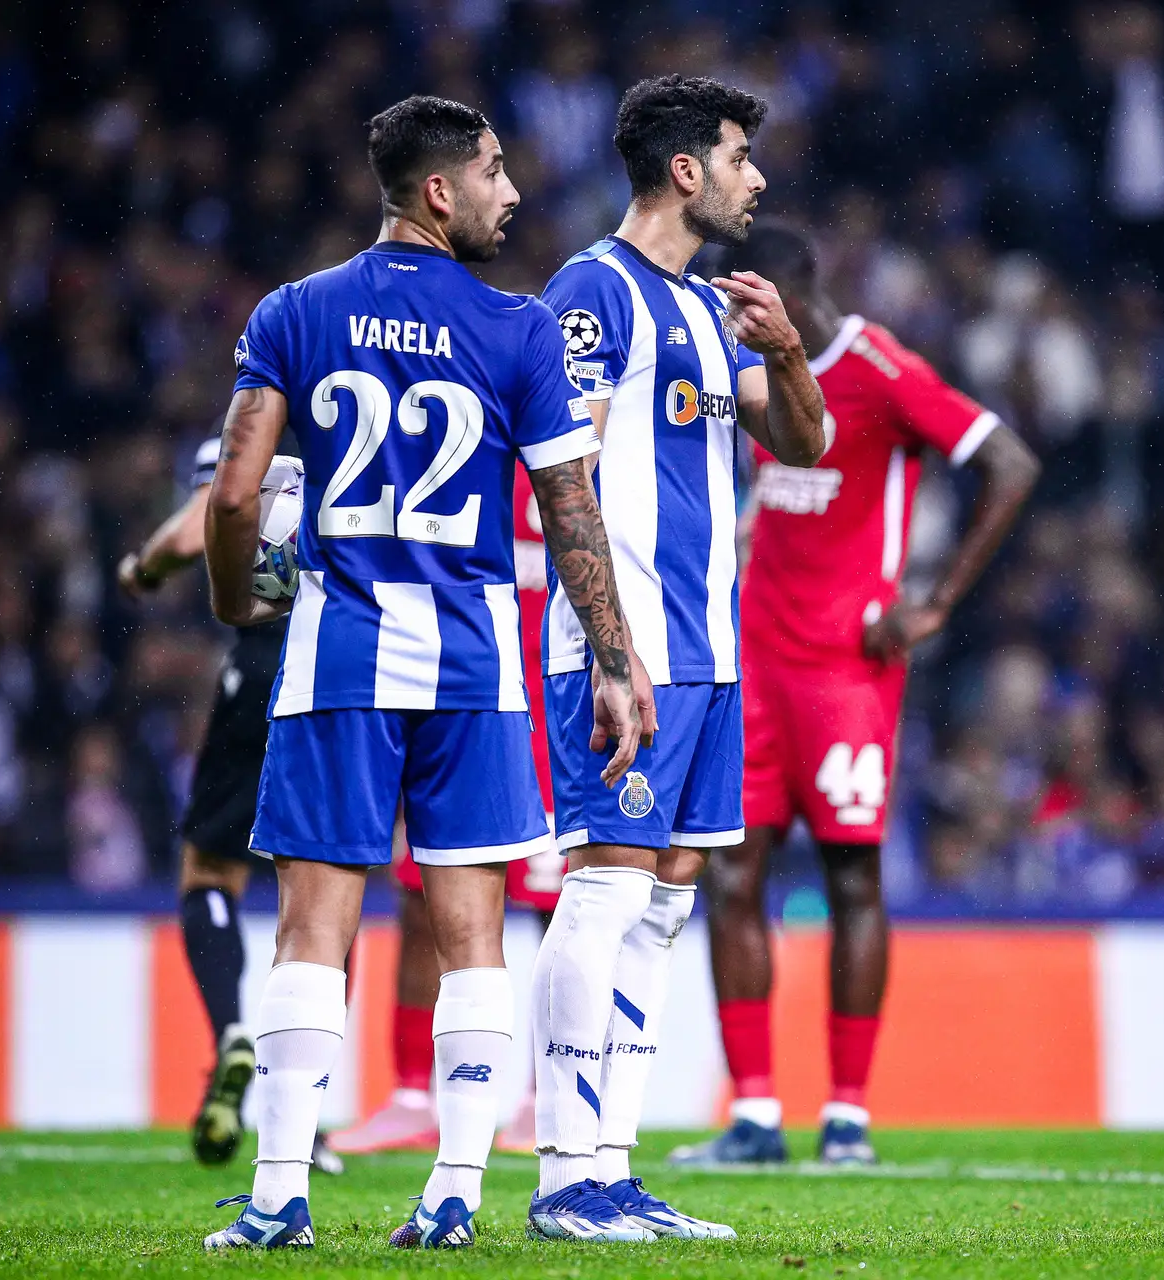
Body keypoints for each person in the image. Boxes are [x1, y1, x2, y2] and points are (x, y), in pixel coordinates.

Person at [198, 95, 649, 1252]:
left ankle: (278, 1196)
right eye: (495, 172)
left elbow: (237, 494)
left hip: (336, 649)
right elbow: (569, 505)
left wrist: (233, 600)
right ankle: (453, 1189)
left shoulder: (294, 311)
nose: (512, 192)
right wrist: (613, 657)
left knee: (312, 927)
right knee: (471, 930)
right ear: (439, 190)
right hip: (472, 656)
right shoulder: (518, 330)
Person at [526, 75, 826, 1243]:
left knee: (662, 908)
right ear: (686, 171)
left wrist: (791, 351)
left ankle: (612, 1167)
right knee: (602, 893)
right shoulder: (590, 295)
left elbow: (803, 443)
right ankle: (561, 1177)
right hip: (623, 653)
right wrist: (611, 651)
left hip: (710, 655)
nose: (758, 179)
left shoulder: (708, 308)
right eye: (741, 157)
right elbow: (570, 483)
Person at [668, 223, 1038, 1168]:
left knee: (850, 879)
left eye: (731, 306)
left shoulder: (879, 366)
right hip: (750, 665)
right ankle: (754, 1115)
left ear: (774, 299)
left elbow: (1011, 463)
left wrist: (935, 603)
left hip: (845, 674)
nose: (719, 323)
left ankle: (847, 1119)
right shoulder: (739, 382)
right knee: (734, 876)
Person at [116, 438, 347, 1178]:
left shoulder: (254, 448)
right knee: (325, 895)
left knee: (209, 874)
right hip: (351, 673)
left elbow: (201, 521)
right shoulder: (345, 446)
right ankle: (305, 1113)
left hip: (265, 662)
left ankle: (233, 1034)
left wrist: (142, 567)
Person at [330, 466, 563, 1157]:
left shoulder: (576, 454)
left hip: (554, 708)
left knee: (560, 909)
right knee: (418, 893)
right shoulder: (463, 454)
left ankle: (544, 1096)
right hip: (460, 694)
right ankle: (411, 1096)